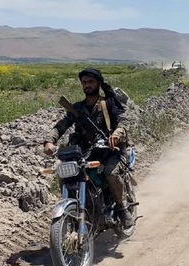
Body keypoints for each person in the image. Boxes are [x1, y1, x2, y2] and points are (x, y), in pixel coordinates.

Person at [43, 68, 134, 227]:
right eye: (84, 82)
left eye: (91, 81)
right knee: (65, 174)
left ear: (98, 83)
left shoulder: (109, 104)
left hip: (111, 151)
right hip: (86, 154)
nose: (87, 85)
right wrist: (49, 142)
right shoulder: (77, 108)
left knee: (110, 173)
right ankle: (74, 210)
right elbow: (61, 126)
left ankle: (122, 209)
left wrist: (116, 134)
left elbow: (123, 122)